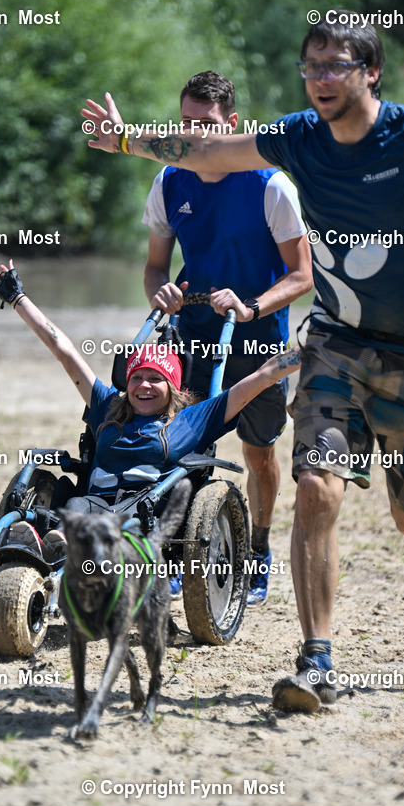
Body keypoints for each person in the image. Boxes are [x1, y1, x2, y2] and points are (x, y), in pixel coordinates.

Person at [81, 13, 404, 713]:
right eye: (311, 68)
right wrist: (128, 139)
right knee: (316, 487)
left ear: (370, 70)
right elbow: (210, 153)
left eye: (335, 66)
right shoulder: (297, 138)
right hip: (334, 341)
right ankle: (316, 661)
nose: (320, 81)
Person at [142, 71, 312, 605]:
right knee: (184, 449)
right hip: (192, 334)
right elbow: (153, 267)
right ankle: (182, 554)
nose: (197, 135)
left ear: (232, 124)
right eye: (187, 123)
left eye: (208, 125)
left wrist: (251, 305)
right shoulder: (170, 179)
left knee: (259, 454)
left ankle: (256, 551)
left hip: (258, 340)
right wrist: (160, 294)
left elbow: (303, 276)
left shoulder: (270, 184)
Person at [0, 261, 301, 512]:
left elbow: (263, 376)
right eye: (137, 377)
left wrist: (311, 350)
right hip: (89, 507)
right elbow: (66, 353)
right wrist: (18, 299)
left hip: (144, 515)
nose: (144, 385)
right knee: (74, 508)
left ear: (174, 387)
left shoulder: (193, 420)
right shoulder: (108, 405)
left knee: (104, 522)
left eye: (156, 379)